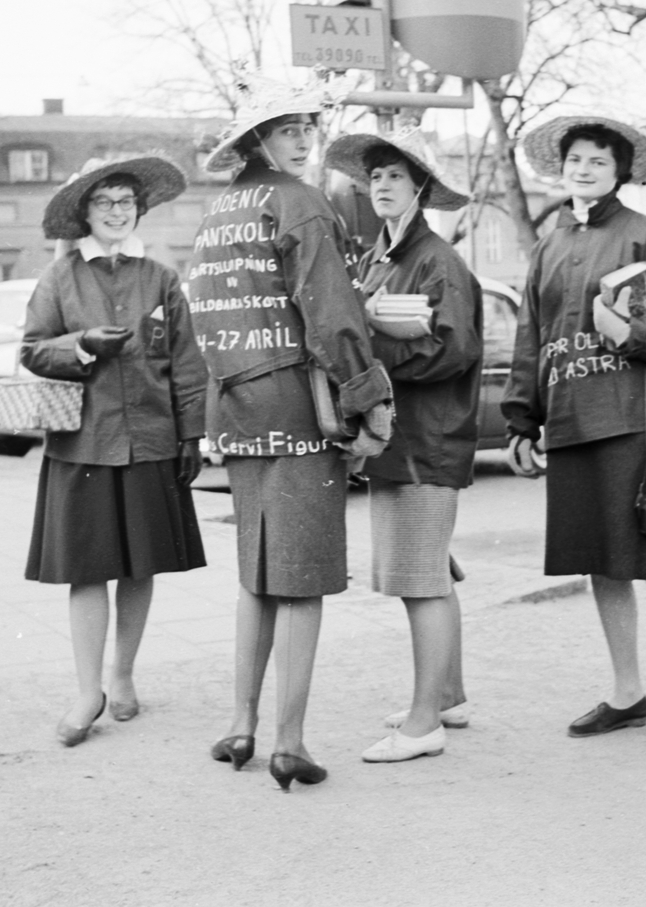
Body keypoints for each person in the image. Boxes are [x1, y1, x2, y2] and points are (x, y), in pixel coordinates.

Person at [189, 75, 391, 792]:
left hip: (239, 407)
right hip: (300, 404)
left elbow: (205, 320)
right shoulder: (300, 202)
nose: (304, 136)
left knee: (256, 576)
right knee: (301, 582)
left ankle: (241, 726)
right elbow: (331, 313)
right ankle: (289, 742)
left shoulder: (219, 212)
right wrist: (369, 397)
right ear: (257, 138)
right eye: (287, 127)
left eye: (309, 124)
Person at [502, 116, 646, 763]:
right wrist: (520, 419)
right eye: (576, 159)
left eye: (599, 160)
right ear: (561, 169)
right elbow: (531, 338)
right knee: (600, 560)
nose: (585, 168)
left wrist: (633, 336)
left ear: (621, 171)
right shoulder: (547, 245)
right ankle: (627, 694)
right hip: (570, 423)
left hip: (637, 419)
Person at [22, 156, 208, 747]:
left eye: (126, 201)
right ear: (85, 213)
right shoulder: (60, 279)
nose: (116, 211)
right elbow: (31, 350)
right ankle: (88, 691)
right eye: (104, 201)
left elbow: (186, 362)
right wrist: (80, 345)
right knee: (87, 571)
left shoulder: (160, 278)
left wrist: (191, 434)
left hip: (151, 440)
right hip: (84, 444)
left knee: (141, 564)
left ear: (139, 210)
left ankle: (123, 676)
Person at [325, 127, 482, 763]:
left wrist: (371, 354)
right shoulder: (380, 260)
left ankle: (424, 724)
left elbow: (454, 348)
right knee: (430, 571)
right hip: (403, 441)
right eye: (376, 177)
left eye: (396, 175)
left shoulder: (438, 261)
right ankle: (448, 696)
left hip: (427, 441)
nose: (382, 186)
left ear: (421, 186)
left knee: (421, 580)